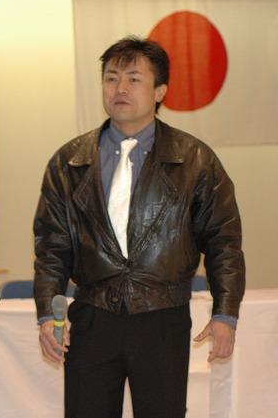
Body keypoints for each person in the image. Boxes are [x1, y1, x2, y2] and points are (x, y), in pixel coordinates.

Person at [33, 36, 245, 417]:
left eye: (133, 79)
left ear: (160, 91)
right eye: (111, 78)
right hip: (92, 317)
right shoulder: (69, 162)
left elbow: (223, 242)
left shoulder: (195, 160)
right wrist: (49, 314)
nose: (120, 88)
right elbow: (52, 247)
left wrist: (225, 313)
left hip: (162, 317)